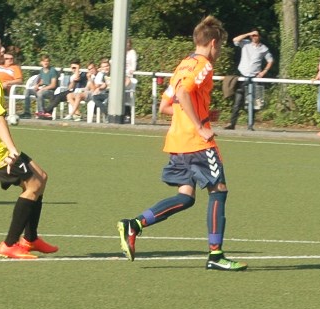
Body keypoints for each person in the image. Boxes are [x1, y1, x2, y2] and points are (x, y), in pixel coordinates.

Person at [116, 16, 246, 271]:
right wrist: (200, 126)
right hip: (198, 143)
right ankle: (216, 255)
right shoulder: (204, 65)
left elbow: (167, 105)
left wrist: (202, 114)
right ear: (212, 43)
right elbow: (184, 93)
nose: (220, 51)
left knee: (185, 197)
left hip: (178, 142)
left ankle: (134, 224)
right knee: (218, 191)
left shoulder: (183, 65)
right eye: (220, 46)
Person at [0, 28, 58, 259]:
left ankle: (30, 238)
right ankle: (9, 244)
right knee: (33, 185)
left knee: (41, 177)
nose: (2, 49)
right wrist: (12, 150)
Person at [223, 28, 273, 130]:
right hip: (242, 77)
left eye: (256, 35)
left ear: (259, 36)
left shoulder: (263, 48)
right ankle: (232, 123)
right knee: (237, 102)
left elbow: (270, 60)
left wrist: (263, 72)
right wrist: (249, 33)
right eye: (252, 35)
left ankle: (250, 125)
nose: (254, 37)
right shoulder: (245, 43)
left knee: (253, 103)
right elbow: (235, 40)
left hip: (254, 78)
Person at [20, 54, 59, 119]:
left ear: (49, 62)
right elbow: (42, 81)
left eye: (47, 61)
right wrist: (37, 85)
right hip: (42, 89)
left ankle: (41, 113)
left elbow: (53, 85)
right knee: (27, 91)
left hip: (50, 91)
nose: (45, 63)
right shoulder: (41, 70)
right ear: (41, 62)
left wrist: (43, 89)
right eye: (44, 61)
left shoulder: (52, 70)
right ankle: (27, 113)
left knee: (39, 93)